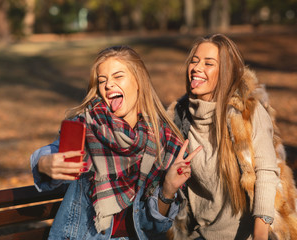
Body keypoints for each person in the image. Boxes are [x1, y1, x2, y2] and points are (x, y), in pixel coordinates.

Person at [30, 46, 202, 240]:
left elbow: (151, 226)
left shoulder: (162, 139)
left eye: (118, 77)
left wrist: (168, 189)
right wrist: (44, 163)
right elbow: (54, 152)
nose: (108, 85)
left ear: (138, 81)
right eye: (102, 80)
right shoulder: (88, 126)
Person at [167, 34, 297, 240]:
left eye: (209, 63)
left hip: (253, 233)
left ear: (226, 72)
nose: (197, 68)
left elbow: (265, 173)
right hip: (203, 234)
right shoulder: (178, 118)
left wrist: (260, 235)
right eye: (194, 60)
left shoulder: (247, 113)